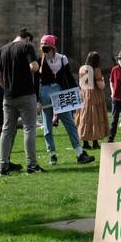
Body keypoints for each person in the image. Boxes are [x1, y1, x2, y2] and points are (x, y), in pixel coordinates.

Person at [37, 34, 90, 164]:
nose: (45, 49)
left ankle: (79, 152)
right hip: (46, 94)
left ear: (52, 46)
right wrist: (37, 99)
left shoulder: (62, 59)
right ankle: (52, 154)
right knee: (48, 126)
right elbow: (35, 81)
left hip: (61, 93)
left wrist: (77, 90)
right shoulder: (39, 61)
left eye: (46, 46)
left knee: (69, 123)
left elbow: (68, 77)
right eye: (43, 46)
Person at [0, 28, 43, 174]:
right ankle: (31, 164)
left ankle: (3, 165)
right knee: (29, 128)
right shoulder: (27, 46)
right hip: (26, 94)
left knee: (7, 130)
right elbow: (34, 67)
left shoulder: (2, 50)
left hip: (9, 96)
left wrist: (7, 87)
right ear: (28, 39)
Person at [77, 52, 109, 150]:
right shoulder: (96, 70)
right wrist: (102, 79)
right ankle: (95, 142)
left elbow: (80, 83)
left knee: (84, 118)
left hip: (83, 94)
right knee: (95, 117)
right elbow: (101, 85)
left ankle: (85, 142)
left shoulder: (82, 68)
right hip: (94, 95)